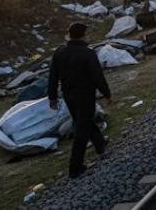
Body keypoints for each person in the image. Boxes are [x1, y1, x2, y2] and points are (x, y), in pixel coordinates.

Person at [47, 22, 111, 179]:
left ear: (69, 35)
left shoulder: (59, 53)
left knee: (84, 121)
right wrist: (107, 94)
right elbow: (97, 76)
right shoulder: (87, 53)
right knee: (82, 128)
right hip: (85, 94)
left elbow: (52, 76)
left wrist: (52, 97)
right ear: (84, 35)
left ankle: (100, 144)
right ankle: (75, 167)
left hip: (68, 95)